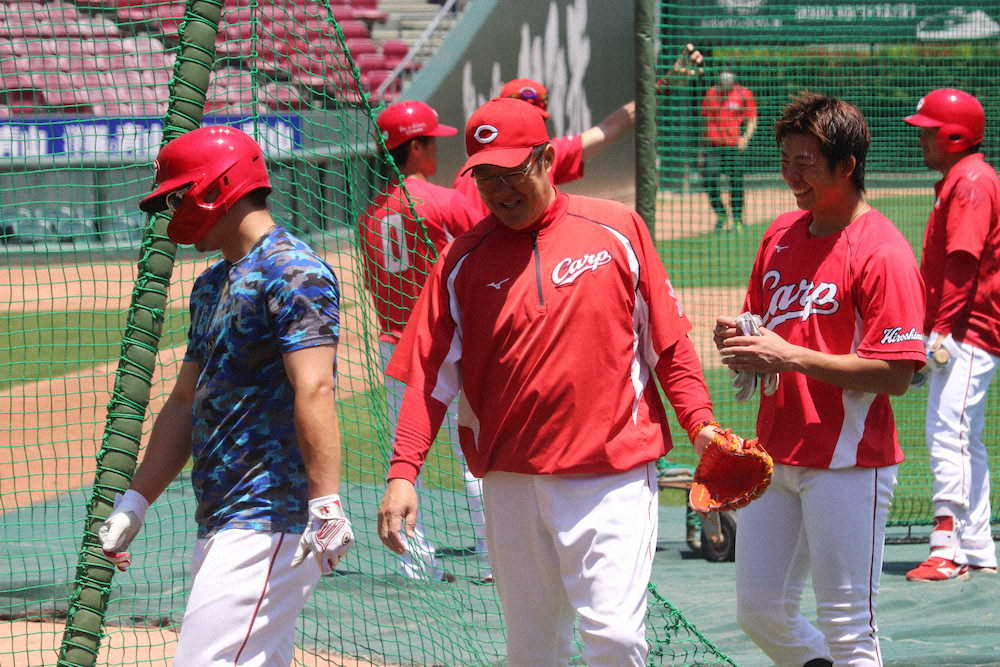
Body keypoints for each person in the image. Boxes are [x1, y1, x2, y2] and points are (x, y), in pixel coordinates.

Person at [377, 97, 724, 665]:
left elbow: (667, 343)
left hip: (611, 474)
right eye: (486, 177)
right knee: (533, 650)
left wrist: (700, 424)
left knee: (615, 636)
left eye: (511, 173)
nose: (500, 191)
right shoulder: (461, 260)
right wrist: (402, 472)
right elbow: (426, 379)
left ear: (544, 159)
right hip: (511, 480)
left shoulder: (616, 229)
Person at [97, 126, 353, 665]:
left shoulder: (294, 271)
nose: (172, 213)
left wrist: (325, 503)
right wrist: (134, 503)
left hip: (272, 517)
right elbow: (186, 401)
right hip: (224, 514)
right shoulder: (212, 284)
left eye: (177, 198)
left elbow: (315, 386)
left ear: (217, 188)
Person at [714, 93, 926, 665]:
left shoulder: (883, 251)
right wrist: (741, 341)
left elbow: (896, 373)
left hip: (848, 462)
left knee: (849, 626)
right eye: (785, 160)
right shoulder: (780, 233)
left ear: (847, 165)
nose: (791, 175)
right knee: (760, 611)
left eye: (805, 162)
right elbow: (764, 326)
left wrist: (789, 357)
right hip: (775, 453)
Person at [359, 99, 487, 582]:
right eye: (432, 141)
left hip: (394, 347)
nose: (437, 149)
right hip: (448, 346)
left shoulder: (370, 215)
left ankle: (416, 562)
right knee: (474, 450)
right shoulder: (441, 201)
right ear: (415, 147)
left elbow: (374, 285)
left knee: (405, 462)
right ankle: (494, 554)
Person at [902, 88, 1000, 582]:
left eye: (929, 131)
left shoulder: (971, 183)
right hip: (966, 327)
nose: (921, 140)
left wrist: (940, 331)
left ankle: (948, 548)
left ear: (955, 136)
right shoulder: (964, 179)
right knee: (964, 436)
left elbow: (963, 262)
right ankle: (977, 546)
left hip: (968, 329)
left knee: (949, 433)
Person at [452, 76, 638, 217]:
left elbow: (607, 129)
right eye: (517, 121)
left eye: (535, 120)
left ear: (547, 160)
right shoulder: (474, 177)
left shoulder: (544, 154)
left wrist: (650, 94)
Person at [700, 67, 757, 231]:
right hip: (713, 145)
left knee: (736, 182)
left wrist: (745, 138)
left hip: (733, 146)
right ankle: (721, 214)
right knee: (710, 180)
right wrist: (701, 148)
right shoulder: (711, 94)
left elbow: (752, 119)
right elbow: (704, 121)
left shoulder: (743, 94)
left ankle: (737, 219)